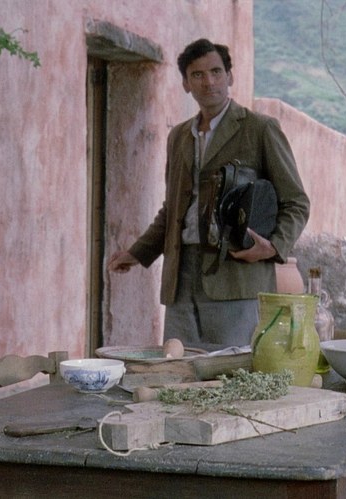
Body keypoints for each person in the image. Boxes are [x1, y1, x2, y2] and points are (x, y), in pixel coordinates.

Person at [108, 38, 309, 347]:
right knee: (179, 366)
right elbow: (173, 210)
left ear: (230, 76)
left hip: (236, 275)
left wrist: (273, 246)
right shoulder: (179, 137)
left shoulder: (259, 129)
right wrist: (137, 253)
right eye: (197, 75)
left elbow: (296, 202)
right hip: (181, 279)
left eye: (216, 72)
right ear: (186, 84)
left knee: (231, 368)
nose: (209, 82)